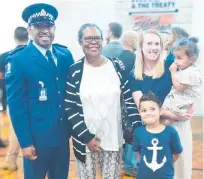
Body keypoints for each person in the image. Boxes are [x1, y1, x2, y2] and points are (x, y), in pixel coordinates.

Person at [5, 3, 74, 179]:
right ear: (29, 29)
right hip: (36, 141)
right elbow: (17, 106)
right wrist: (25, 142)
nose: (45, 31)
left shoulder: (65, 55)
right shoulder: (19, 60)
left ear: (54, 28)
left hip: (61, 138)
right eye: (38, 26)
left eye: (48, 26)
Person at [64, 23, 141, 179]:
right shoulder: (75, 70)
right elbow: (70, 107)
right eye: (88, 38)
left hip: (113, 139)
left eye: (97, 38)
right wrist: (86, 137)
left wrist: (139, 130)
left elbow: (129, 101)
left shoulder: (117, 66)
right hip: (85, 142)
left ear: (102, 40)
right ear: (80, 42)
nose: (93, 42)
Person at [162, 37, 202, 179]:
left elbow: (178, 88)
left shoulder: (190, 73)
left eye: (179, 58)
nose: (176, 61)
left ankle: (167, 123)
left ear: (191, 59)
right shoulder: (186, 69)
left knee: (172, 112)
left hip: (182, 101)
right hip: (180, 101)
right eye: (175, 57)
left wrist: (173, 72)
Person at [133, 92, 183, 179]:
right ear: (139, 113)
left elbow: (177, 154)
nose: (148, 113)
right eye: (144, 110)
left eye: (152, 109)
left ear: (160, 111)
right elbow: (138, 153)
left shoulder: (171, 132)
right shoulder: (138, 132)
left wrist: (167, 164)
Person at [0, 26, 29, 170]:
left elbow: (2, 77)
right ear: (28, 36)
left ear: (14, 37)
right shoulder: (34, 54)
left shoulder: (6, 56)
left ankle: (11, 161)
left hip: (15, 98)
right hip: (34, 98)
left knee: (15, 129)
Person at [118, 30, 138, 177]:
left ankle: (125, 161)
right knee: (132, 132)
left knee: (123, 132)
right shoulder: (135, 59)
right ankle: (130, 165)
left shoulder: (116, 58)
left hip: (119, 102)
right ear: (131, 42)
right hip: (131, 101)